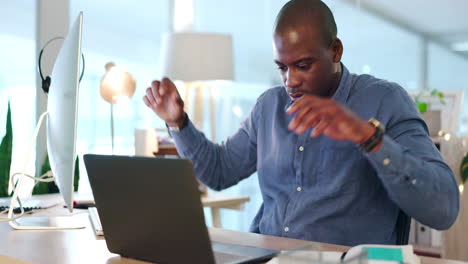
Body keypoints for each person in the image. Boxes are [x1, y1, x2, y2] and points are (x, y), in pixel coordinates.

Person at [143, 0, 459, 246]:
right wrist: (179, 123)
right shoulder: (269, 106)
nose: (290, 81)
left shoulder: (385, 100)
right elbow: (219, 171)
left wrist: (368, 137)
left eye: (303, 66)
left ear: (335, 51)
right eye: (281, 67)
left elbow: (443, 208)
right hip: (268, 255)